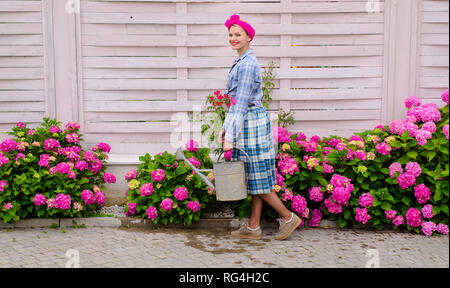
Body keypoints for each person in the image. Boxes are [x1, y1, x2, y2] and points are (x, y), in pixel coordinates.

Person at [218, 14, 301, 240]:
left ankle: (287, 217)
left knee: (257, 178)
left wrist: (230, 137)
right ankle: (254, 227)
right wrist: (226, 128)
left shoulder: (246, 65)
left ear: (249, 37)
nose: (233, 38)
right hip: (247, 120)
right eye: (230, 35)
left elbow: (242, 102)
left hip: (250, 123)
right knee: (255, 175)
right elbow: (236, 102)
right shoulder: (242, 61)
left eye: (238, 35)